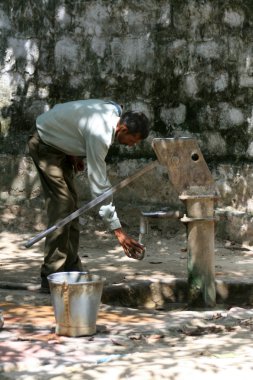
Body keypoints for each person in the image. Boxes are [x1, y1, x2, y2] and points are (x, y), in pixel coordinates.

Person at [27, 98, 150, 292]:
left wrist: (74, 151)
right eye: (132, 141)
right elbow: (100, 189)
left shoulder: (114, 110)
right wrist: (118, 233)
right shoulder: (99, 135)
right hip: (44, 143)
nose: (131, 145)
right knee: (62, 206)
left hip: (59, 143)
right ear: (123, 129)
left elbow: (76, 121)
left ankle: (71, 268)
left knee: (71, 207)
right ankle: (51, 275)